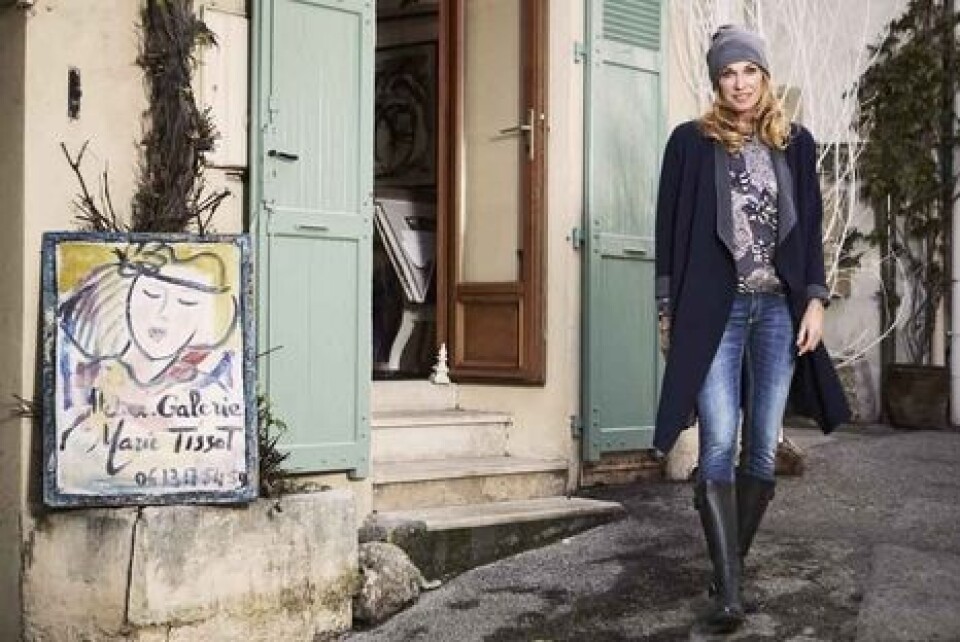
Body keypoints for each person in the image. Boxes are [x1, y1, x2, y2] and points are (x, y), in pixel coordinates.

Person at [653, 25, 850, 633]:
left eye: (749, 72)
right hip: (715, 309)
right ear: (717, 83)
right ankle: (730, 595)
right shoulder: (691, 143)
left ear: (765, 78)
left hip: (777, 311)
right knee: (718, 440)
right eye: (727, 73)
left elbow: (809, 229)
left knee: (761, 444)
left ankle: (727, 570)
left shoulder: (796, 143)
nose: (739, 83)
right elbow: (667, 229)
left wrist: (814, 302)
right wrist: (667, 308)